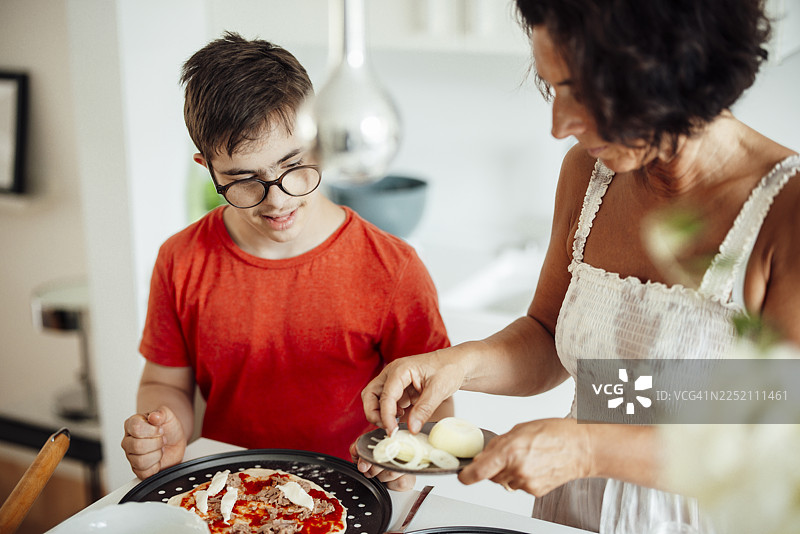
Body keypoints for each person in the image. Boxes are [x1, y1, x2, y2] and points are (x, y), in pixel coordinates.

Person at [360, 0, 800, 531]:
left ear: (677, 69)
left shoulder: (785, 211)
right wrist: (458, 365)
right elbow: (552, 341)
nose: (559, 125)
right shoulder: (590, 175)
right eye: (554, 87)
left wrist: (591, 448)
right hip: (571, 516)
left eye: (584, 93)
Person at [120, 32, 452, 490]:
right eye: (243, 180)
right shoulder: (180, 260)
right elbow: (165, 383)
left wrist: (411, 452)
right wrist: (164, 429)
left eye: (293, 165)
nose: (276, 200)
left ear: (320, 139)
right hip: (230, 493)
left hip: (354, 490)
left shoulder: (393, 267)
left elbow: (434, 399)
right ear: (208, 168)